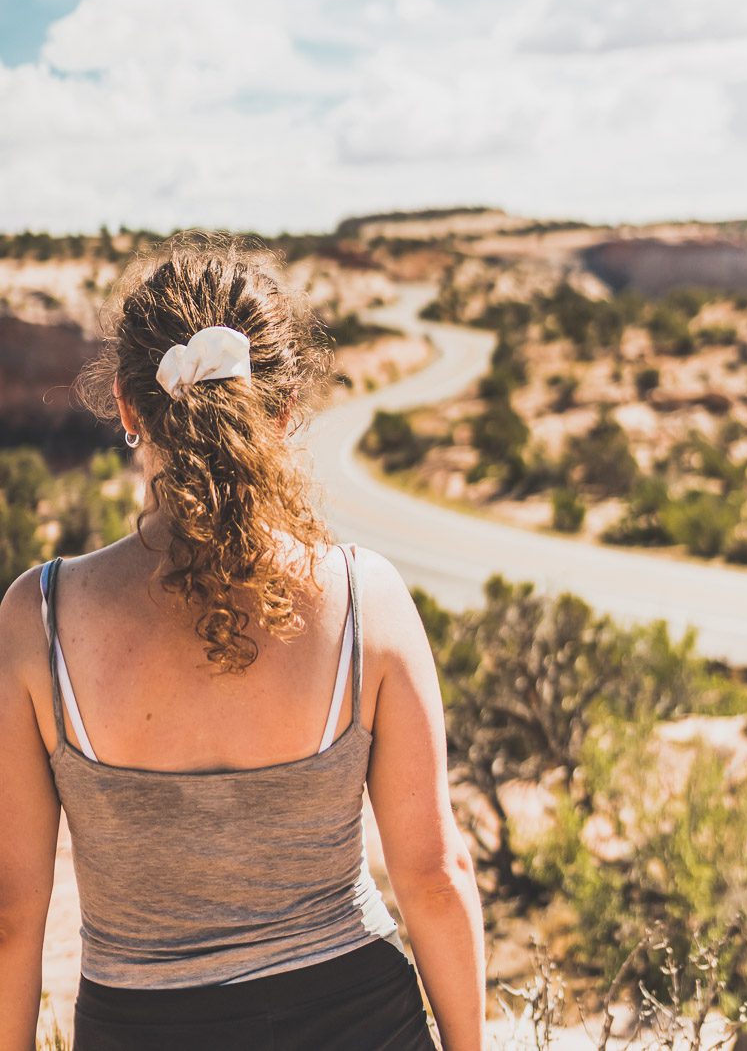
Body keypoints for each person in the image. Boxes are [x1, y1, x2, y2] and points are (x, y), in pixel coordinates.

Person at [0, 233, 486, 1051]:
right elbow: (436, 878)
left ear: (125, 405)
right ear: (286, 411)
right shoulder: (366, 600)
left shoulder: (37, 620)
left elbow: (12, 912)